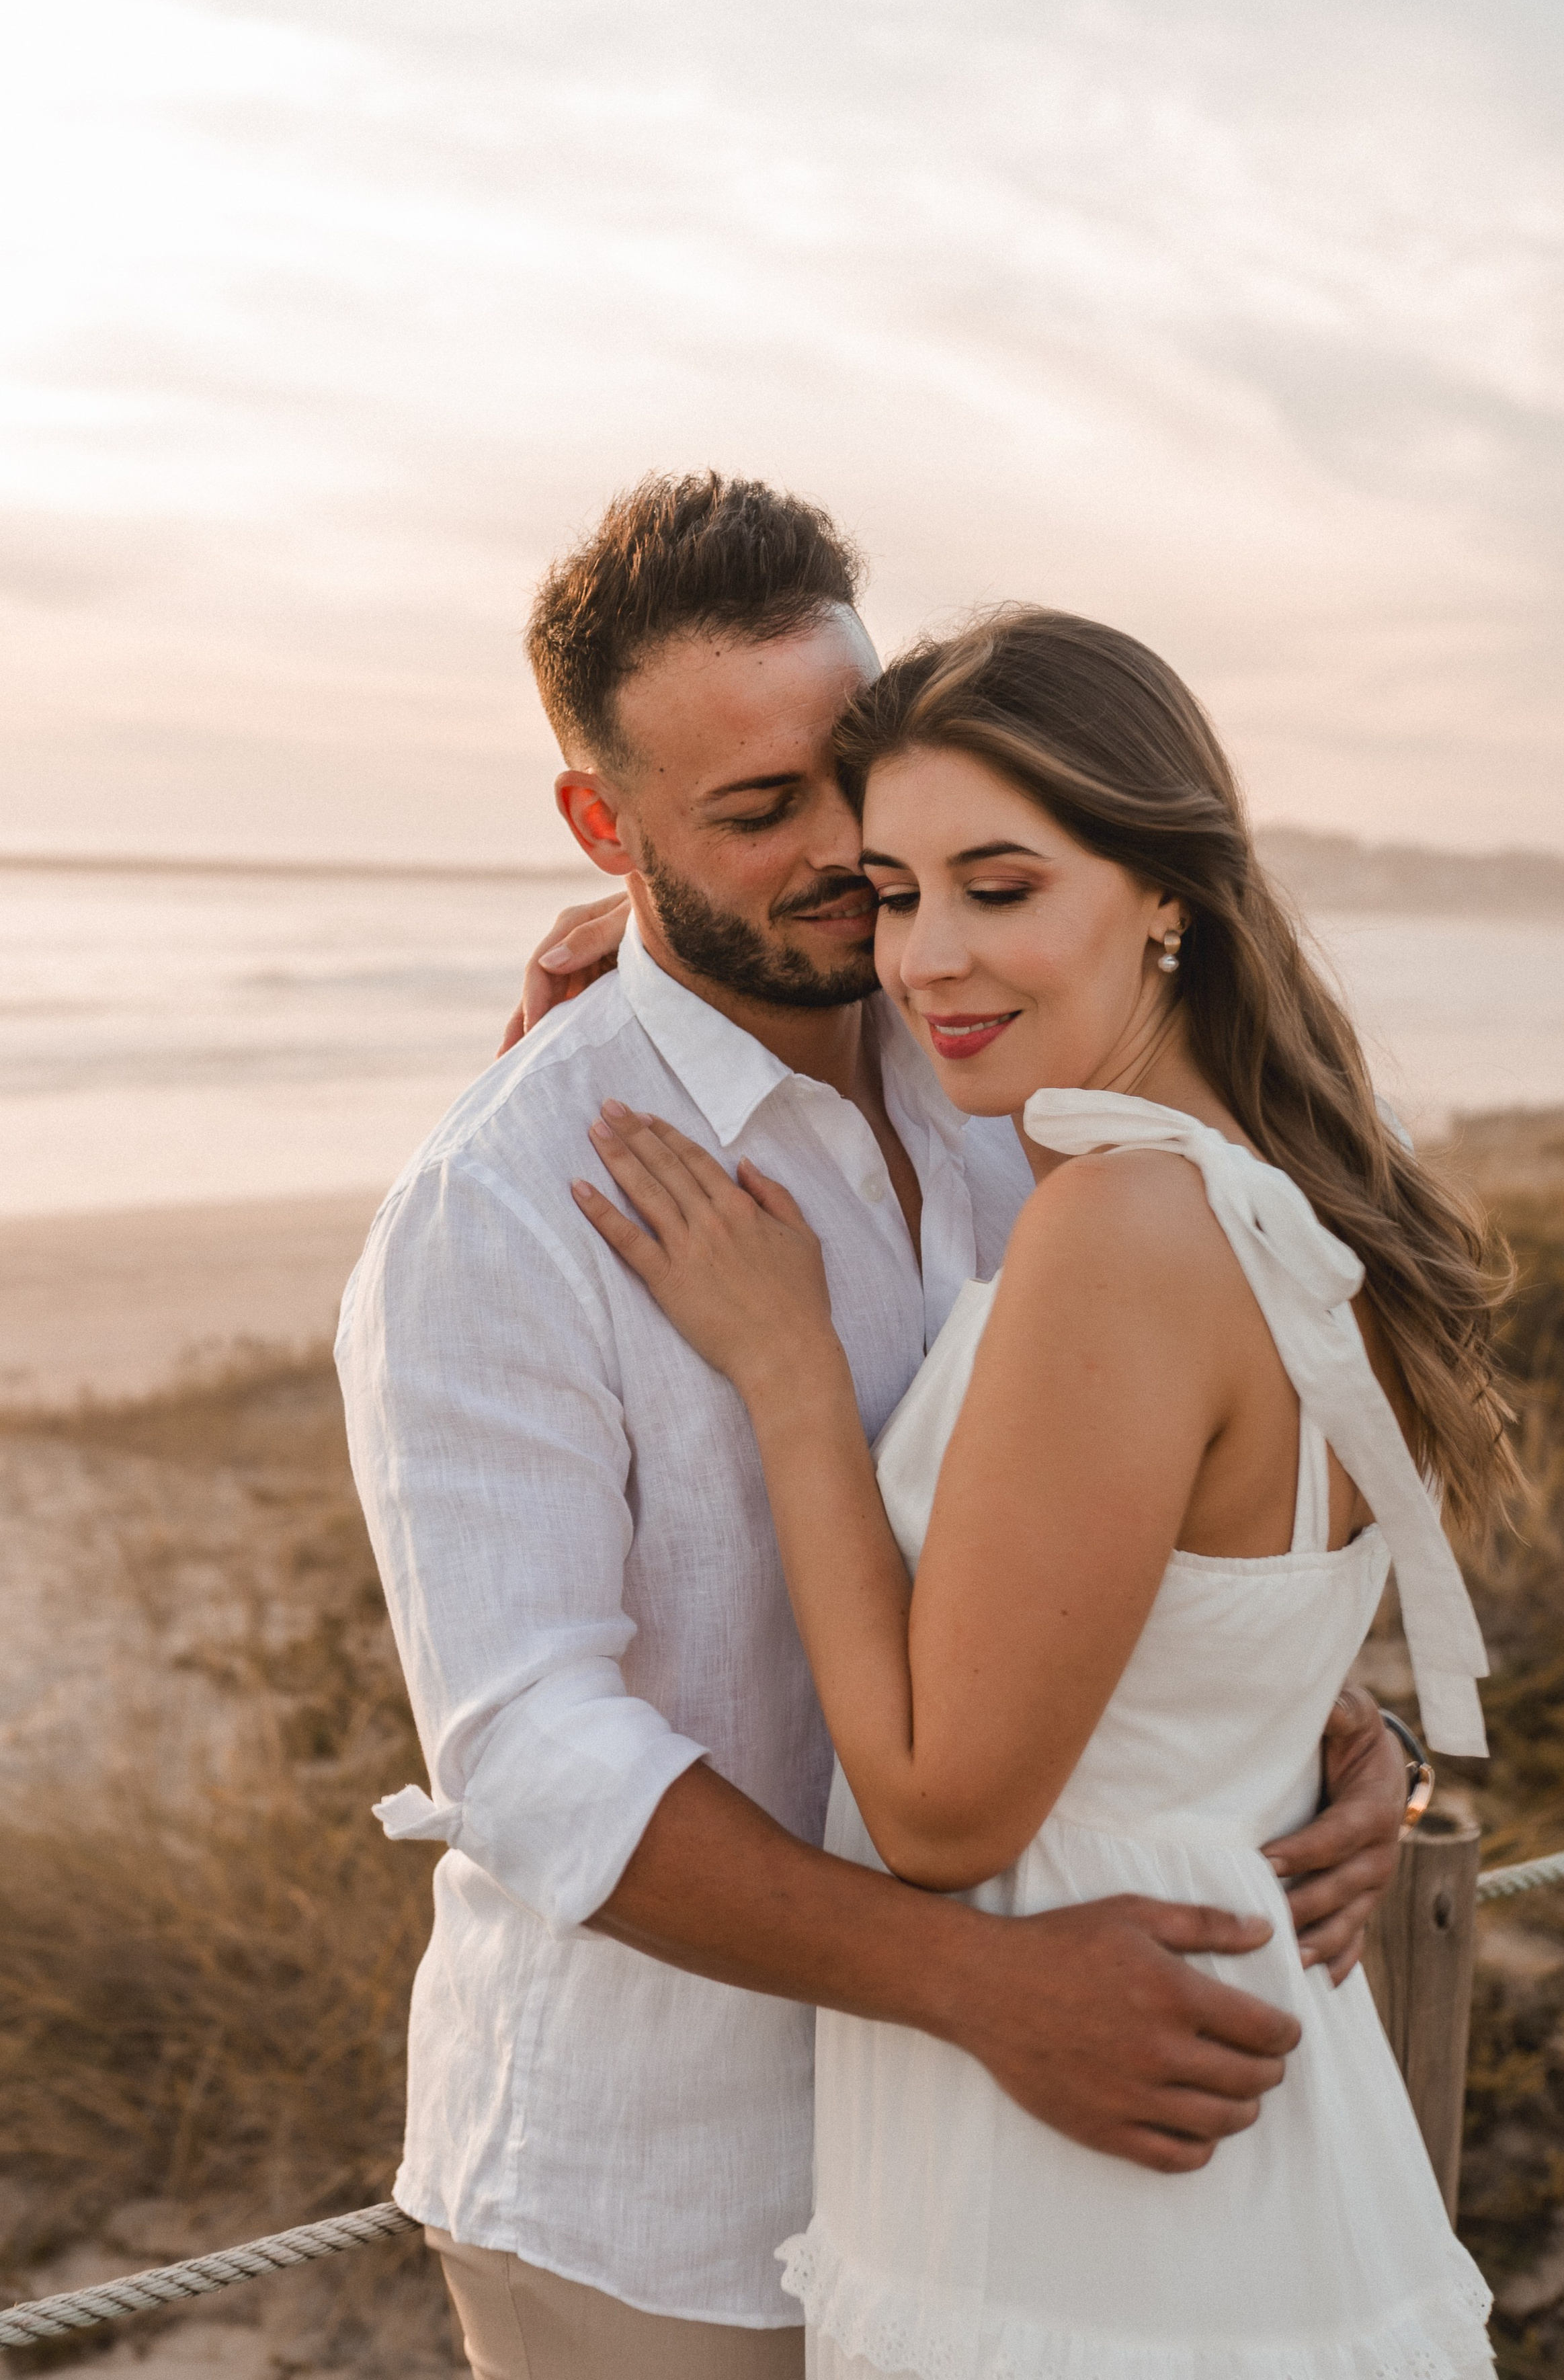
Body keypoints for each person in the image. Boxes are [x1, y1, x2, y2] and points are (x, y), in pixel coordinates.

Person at [337, 477, 1409, 2380]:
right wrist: (980, 1989)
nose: (849, 851)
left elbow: (1115, 1514)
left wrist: (1304, 1720)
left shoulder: (1004, 1065)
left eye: (859, 773)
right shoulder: (500, 1205)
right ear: (606, 826)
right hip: (666, 2194)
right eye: (758, 814)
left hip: (1020, 2163)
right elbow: (529, 1752)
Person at [568, 606, 1509, 2380]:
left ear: (1166, 892)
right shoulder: (1269, 1186)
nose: (927, 957)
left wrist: (788, 1379)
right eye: (897, 892)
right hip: (1233, 2102)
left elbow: (939, 1813)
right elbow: (1192, 1619)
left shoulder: (1118, 1223)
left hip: (1087, 2164)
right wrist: (636, 958)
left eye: (1001, 887)